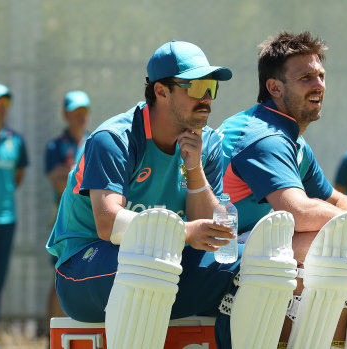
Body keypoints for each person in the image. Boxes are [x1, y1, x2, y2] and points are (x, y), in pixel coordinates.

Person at [217, 31, 347, 348]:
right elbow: (297, 210)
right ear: (274, 88)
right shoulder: (265, 136)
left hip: (245, 251)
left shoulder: (290, 138)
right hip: (213, 258)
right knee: (332, 242)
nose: (318, 85)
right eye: (306, 77)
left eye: (321, 76)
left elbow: (334, 198)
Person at [46, 40, 240, 349]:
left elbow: (207, 232)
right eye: (196, 86)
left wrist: (194, 169)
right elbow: (108, 224)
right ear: (161, 91)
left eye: (211, 87)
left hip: (161, 265)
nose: (207, 98)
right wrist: (184, 232)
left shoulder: (209, 144)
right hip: (85, 267)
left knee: (247, 266)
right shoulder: (114, 138)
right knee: (148, 256)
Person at [43, 90, 91, 334]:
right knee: (60, 277)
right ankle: (53, 335)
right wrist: (83, 182)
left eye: (83, 111)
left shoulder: (94, 141)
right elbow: (60, 184)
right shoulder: (55, 146)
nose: (80, 116)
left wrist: (71, 176)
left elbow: (72, 183)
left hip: (90, 218)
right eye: (75, 111)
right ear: (65, 114)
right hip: (63, 217)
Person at [0, 83, 28, 349]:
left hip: (5, 221)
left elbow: (17, 176)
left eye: (6, 102)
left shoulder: (16, 140)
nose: (2, 107)